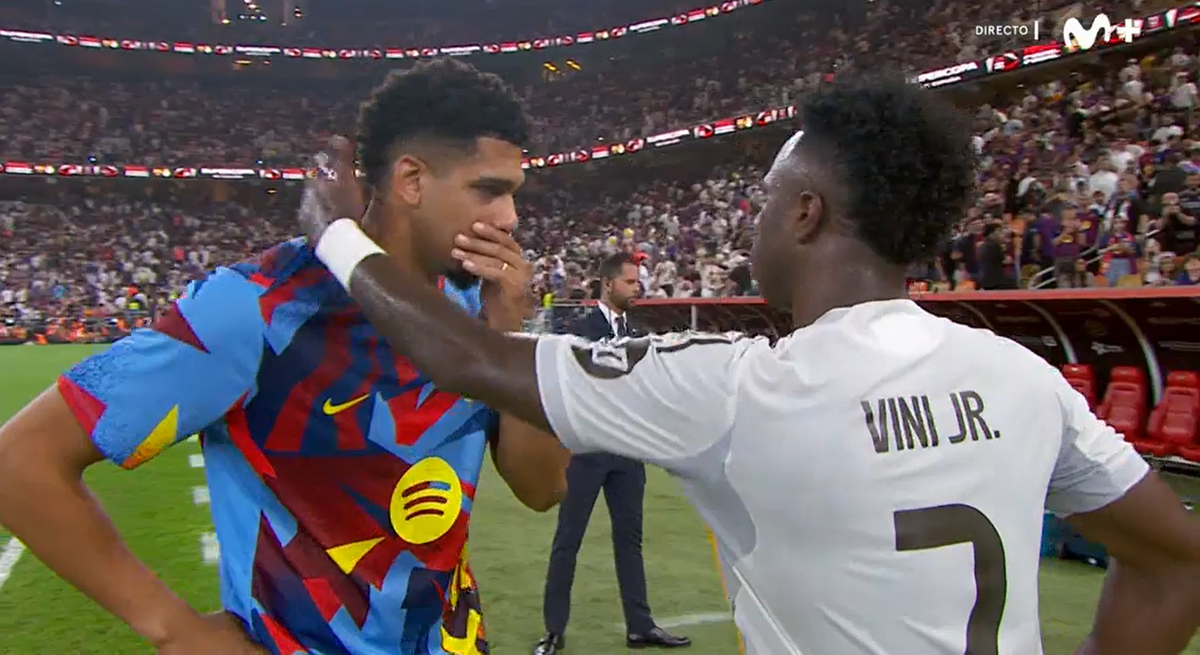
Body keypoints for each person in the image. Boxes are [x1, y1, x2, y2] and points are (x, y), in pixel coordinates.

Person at [298, 76, 1200, 655]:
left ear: (806, 214)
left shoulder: (738, 386)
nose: (751, 219)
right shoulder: (1022, 376)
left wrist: (335, 228)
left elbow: (460, 354)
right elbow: (1177, 564)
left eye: (765, 198)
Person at [0, 58, 569, 654]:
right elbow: (20, 463)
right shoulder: (256, 307)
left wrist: (513, 333)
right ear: (411, 180)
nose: (510, 217)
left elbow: (541, 488)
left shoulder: (473, 308)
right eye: (490, 190)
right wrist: (177, 631)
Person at [535, 252, 690, 654]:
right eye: (631, 282)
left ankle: (640, 626)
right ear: (609, 285)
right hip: (586, 452)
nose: (637, 288)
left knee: (630, 540)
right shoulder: (580, 330)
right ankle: (554, 631)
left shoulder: (636, 332)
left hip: (626, 453)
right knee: (568, 539)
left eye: (637, 282)